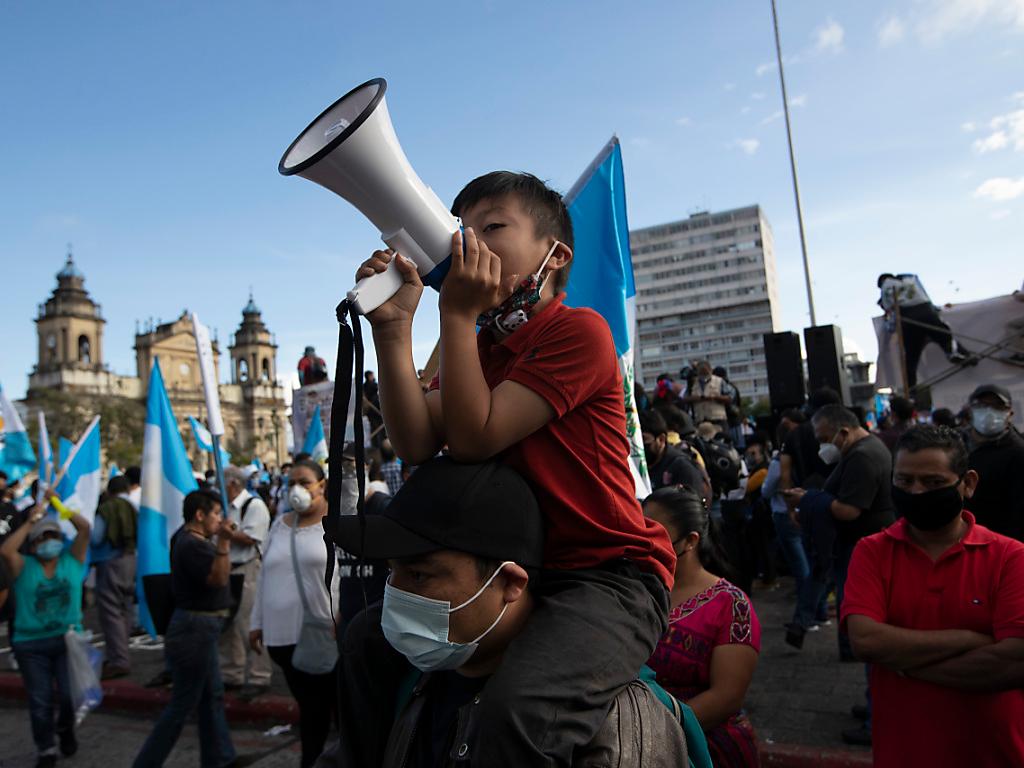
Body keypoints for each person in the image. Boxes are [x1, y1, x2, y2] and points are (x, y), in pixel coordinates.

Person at [352, 171, 675, 766]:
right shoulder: (480, 349)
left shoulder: (579, 332)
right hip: (520, 569)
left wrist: (455, 317)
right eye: (462, 229)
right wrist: (394, 332)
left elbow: (474, 437)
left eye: (492, 227)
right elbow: (415, 441)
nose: (466, 242)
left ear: (555, 256)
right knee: (366, 645)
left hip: (606, 576)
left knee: (518, 713)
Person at [325, 457, 692, 768]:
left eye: (420, 575)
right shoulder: (397, 679)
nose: (395, 595)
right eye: (392, 572)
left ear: (510, 582)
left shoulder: (614, 722)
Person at [842, 425, 1024, 767]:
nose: (917, 492)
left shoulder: (1010, 556)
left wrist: (904, 665)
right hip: (903, 751)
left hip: (994, 752)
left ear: (967, 483)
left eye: (934, 483)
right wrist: (970, 639)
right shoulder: (872, 551)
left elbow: (1013, 663)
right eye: (904, 481)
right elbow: (866, 642)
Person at [645, 486, 761, 767]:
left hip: (704, 748)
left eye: (654, 533)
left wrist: (653, 730)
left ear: (690, 541)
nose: (643, 541)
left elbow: (726, 697)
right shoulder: (637, 590)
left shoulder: (732, 605)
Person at [133, 490, 238, 768]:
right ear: (200, 515)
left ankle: (220, 758)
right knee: (182, 704)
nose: (219, 519)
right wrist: (224, 543)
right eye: (215, 513)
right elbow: (217, 579)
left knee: (211, 697)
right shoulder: (194, 545)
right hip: (195, 629)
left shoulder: (188, 538)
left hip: (201, 628)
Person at [782, 405, 895, 654]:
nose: (823, 446)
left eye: (824, 439)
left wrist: (808, 500)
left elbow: (849, 510)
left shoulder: (863, 456)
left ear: (842, 432)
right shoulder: (860, 450)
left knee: (849, 597)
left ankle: (851, 645)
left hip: (859, 541)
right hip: (852, 540)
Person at [250, 460, 341, 767]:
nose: (296, 489)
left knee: (320, 713)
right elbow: (265, 576)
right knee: (310, 708)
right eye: (290, 483)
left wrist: (341, 619)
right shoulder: (279, 523)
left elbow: (345, 578)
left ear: (322, 485)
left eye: (304, 482)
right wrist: (256, 623)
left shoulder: (339, 524)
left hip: (322, 637)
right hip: (282, 640)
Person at [1, 497, 90, 768]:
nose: (49, 541)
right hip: (30, 644)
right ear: (34, 543)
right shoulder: (23, 566)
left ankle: (64, 729)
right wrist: (31, 521)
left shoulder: (72, 560)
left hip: (66, 641)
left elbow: (84, 528)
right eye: (43, 537)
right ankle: (46, 748)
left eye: (54, 536)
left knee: (67, 696)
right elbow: (6, 550)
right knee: (40, 700)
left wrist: (57, 504)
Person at [218, 465, 272, 699]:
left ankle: (259, 674)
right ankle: (233, 673)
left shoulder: (254, 506)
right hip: (227, 570)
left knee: (249, 623)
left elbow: (252, 538)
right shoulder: (224, 507)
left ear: (233, 484)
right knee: (228, 625)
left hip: (247, 569)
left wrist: (228, 533)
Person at [877, 272, 969, 389]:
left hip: (909, 320)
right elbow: (925, 296)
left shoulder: (885, 289)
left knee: (911, 357)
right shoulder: (909, 279)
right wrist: (934, 310)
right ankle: (957, 353)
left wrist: (889, 326)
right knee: (944, 335)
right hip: (925, 311)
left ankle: (911, 387)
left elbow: (892, 313)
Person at [91, 474, 138, 679]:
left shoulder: (107, 509)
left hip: (111, 562)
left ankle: (119, 659)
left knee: (111, 612)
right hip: (132, 560)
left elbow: (96, 537)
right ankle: (121, 652)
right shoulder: (135, 507)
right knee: (125, 608)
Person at [965, 384, 1024, 541]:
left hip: (996, 542)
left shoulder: (1018, 452)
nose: (989, 412)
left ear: (1010, 413)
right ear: (970, 410)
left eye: (997, 406)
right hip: (957, 536)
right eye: (982, 405)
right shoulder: (954, 443)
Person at [640, 409, 710, 498]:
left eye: (643, 439)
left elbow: (691, 508)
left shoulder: (682, 468)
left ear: (661, 439)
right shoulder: (639, 466)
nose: (638, 446)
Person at [682, 361, 732, 432]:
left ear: (710, 370)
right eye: (701, 372)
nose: (704, 375)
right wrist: (696, 398)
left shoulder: (719, 381)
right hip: (700, 420)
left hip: (718, 419)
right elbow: (685, 399)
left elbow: (729, 398)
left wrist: (714, 397)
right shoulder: (693, 383)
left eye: (705, 372)